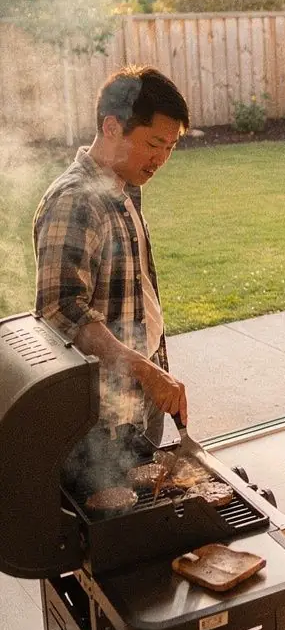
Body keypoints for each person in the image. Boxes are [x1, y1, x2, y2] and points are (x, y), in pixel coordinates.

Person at [34, 65, 189, 443]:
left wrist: (152, 370)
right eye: (154, 144)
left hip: (143, 390)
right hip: (103, 413)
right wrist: (143, 370)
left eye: (170, 147)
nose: (161, 159)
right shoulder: (76, 200)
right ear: (111, 127)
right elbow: (60, 310)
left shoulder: (124, 187)